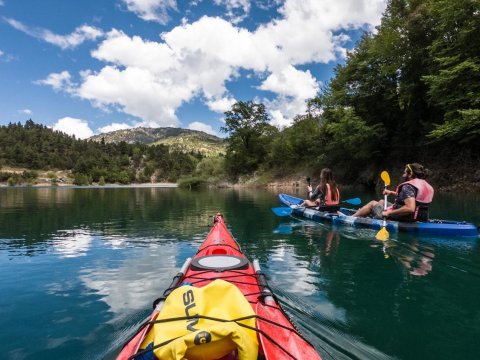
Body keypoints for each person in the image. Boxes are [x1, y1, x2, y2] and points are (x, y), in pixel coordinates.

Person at [353, 163, 434, 222]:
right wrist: (391, 192)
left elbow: (410, 208)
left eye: (405, 172)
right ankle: (369, 214)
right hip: (422, 217)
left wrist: (389, 213)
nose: (403, 175)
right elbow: (413, 198)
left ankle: (351, 218)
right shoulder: (426, 185)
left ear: (411, 174)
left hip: (408, 217)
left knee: (372, 203)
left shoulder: (408, 187)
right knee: (381, 201)